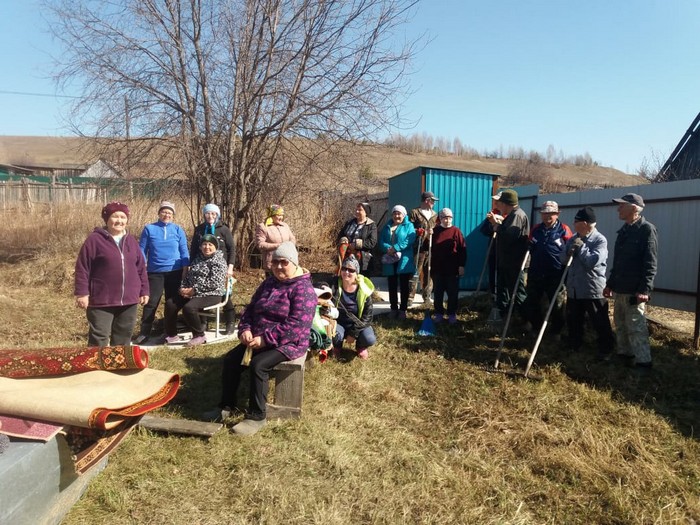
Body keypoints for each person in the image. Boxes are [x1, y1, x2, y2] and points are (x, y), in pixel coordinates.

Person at [212, 242, 316, 436]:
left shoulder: (303, 290)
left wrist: (265, 340)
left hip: (289, 342)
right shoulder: (269, 283)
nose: (277, 267)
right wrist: (245, 329)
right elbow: (250, 309)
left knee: (259, 364)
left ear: (293, 263)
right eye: (275, 262)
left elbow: (295, 326)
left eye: (283, 262)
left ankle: (257, 416)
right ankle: (226, 405)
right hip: (257, 337)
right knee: (231, 360)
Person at [74, 201, 149, 347]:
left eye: (123, 217)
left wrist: (144, 290)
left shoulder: (131, 241)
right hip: (102, 299)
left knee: (123, 336)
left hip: (129, 300)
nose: (119, 221)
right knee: (99, 337)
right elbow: (82, 267)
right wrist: (82, 293)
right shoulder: (94, 240)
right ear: (107, 219)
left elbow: (140, 268)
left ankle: (119, 367)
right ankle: (96, 367)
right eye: (115, 216)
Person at [604, 193, 658, 369]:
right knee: (620, 323)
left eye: (622, 205)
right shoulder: (623, 231)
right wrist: (610, 284)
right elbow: (618, 262)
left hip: (635, 290)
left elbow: (650, 263)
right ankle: (624, 355)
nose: (618, 209)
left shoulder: (646, 230)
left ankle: (643, 362)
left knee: (636, 327)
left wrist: (645, 290)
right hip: (620, 288)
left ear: (634, 208)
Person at [561, 207, 615, 359]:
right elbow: (562, 260)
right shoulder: (573, 238)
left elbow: (592, 262)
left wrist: (582, 248)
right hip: (574, 288)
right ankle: (574, 345)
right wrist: (568, 252)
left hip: (592, 289)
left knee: (599, 321)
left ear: (584, 223)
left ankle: (605, 350)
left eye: (576, 221)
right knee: (574, 320)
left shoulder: (599, 240)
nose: (573, 224)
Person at [134, 201, 190, 344]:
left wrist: (185, 269)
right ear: (159, 213)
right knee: (151, 302)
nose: (167, 215)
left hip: (175, 271)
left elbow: (184, 250)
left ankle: (169, 331)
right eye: (164, 212)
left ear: (173, 216)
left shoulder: (178, 230)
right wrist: (142, 264)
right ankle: (144, 332)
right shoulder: (149, 229)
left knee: (171, 303)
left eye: (170, 213)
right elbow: (141, 249)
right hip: (155, 272)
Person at [163, 234, 228, 346]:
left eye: (210, 244)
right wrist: (183, 289)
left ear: (215, 247)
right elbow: (188, 277)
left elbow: (214, 283)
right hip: (193, 292)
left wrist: (194, 290)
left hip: (212, 294)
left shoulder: (219, 261)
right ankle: (172, 334)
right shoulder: (197, 259)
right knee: (170, 304)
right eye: (204, 244)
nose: (206, 247)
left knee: (189, 308)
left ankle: (199, 335)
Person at [523, 201, 572, 338]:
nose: (547, 216)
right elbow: (530, 242)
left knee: (557, 303)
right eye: (544, 213)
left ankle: (556, 330)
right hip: (536, 272)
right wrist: (529, 246)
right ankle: (536, 327)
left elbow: (570, 248)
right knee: (533, 301)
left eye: (550, 213)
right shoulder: (536, 229)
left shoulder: (564, 229)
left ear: (557, 214)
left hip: (556, 273)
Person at [480, 189, 529, 319]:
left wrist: (496, 225)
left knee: (517, 293)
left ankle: (525, 320)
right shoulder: (512, 215)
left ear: (507, 204)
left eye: (500, 203)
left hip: (514, 262)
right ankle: (505, 315)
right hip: (505, 261)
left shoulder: (517, 215)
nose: (498, 206)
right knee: (503, 291)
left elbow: (509, 236)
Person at [191, 203, 236, 334]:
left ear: (217, 215)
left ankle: (230, 321)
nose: (210, 216)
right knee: (202, 292)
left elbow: (232, 249)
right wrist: (191, 266)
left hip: (221, 268)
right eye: (208, 213)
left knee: (223, 293)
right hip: (202, 267)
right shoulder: (199, 229)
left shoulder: (224, 229)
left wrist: (230, 267)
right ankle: (203, 321)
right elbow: (194, 249)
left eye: (213, 214)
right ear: (204, 215)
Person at [332, 255, 376, 359]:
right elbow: (321, 284)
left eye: (351, 270)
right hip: (339, 323)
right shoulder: (334, 284)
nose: (346, 272)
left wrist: (353, 333)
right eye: (344, 268)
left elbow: (367, 318)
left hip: (358, 324)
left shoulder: (364, 291)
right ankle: (337, 346)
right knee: (335, 335)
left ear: (356, 274)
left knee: (369, 338)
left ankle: (360, 346)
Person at [430, 208, 467, 325]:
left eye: (449, 217)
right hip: (438, 268)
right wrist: (427, 235)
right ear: (440, 219)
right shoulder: (435, 231)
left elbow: (462, 249)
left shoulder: (456, 231)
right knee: (438, 292)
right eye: (445, 218)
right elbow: (428, 247)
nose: (447, 220)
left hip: (452, 268)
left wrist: (461, 265)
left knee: (452, 293)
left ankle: (451, 313)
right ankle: (439, 313)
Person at [379, 204, 416, 319]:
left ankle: (403, 309)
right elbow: (381, 241)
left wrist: (396, 248)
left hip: (403, 260)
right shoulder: (387, 226)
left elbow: (409, 240)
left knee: (404, 285)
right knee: (392, 285)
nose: (396, 215)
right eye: (394, 213)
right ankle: (393, 308)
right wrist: (388, 248)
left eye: (399, 213)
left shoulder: (409, 226)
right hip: (390, 259)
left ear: (404, 215)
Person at [408, 191, 439, 307]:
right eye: (433, 201)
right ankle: (410, 297)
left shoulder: (435, 215)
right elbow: (409, 229)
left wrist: (433, 233)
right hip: (418, 247)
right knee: (415, 272)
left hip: (430, 248)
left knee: (428, 272)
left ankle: (427, 296)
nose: (434, 203)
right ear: (427, 200)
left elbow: (438, 229)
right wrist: (422, 232)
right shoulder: (415, 213)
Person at [336, 202, 377, 274]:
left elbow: (372, 242)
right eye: (356, 209)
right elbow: (340, 235)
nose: (357, 212)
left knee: (360, 281)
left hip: (362, 258)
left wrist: (356, 244)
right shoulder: (350, 223)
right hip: (346, 256)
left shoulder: (371, 225)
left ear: (366, 212)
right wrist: (343, 240)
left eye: (360, 210)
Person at [256, 204, 297, 273]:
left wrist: (290, 245)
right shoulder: (263, 227)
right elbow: (260, 244)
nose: (281, 217)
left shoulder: (285, 225)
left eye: (282, 215)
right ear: (271, 215)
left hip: (287, 263)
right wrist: (279, 246)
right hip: (272, 264)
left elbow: (292, 238)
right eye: (278, 215)